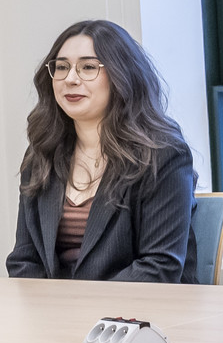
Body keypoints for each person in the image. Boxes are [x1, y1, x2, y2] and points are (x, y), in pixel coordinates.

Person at [9, 20, 197, 282]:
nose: (70, 79)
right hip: (53, 306)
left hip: (137, 306)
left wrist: (80, 303)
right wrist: (45, 304)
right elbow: (24, 260)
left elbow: (159, 267)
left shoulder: (163, 155)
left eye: (88, 67)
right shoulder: (42, 152)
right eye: (61, 67)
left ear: (122, 74)